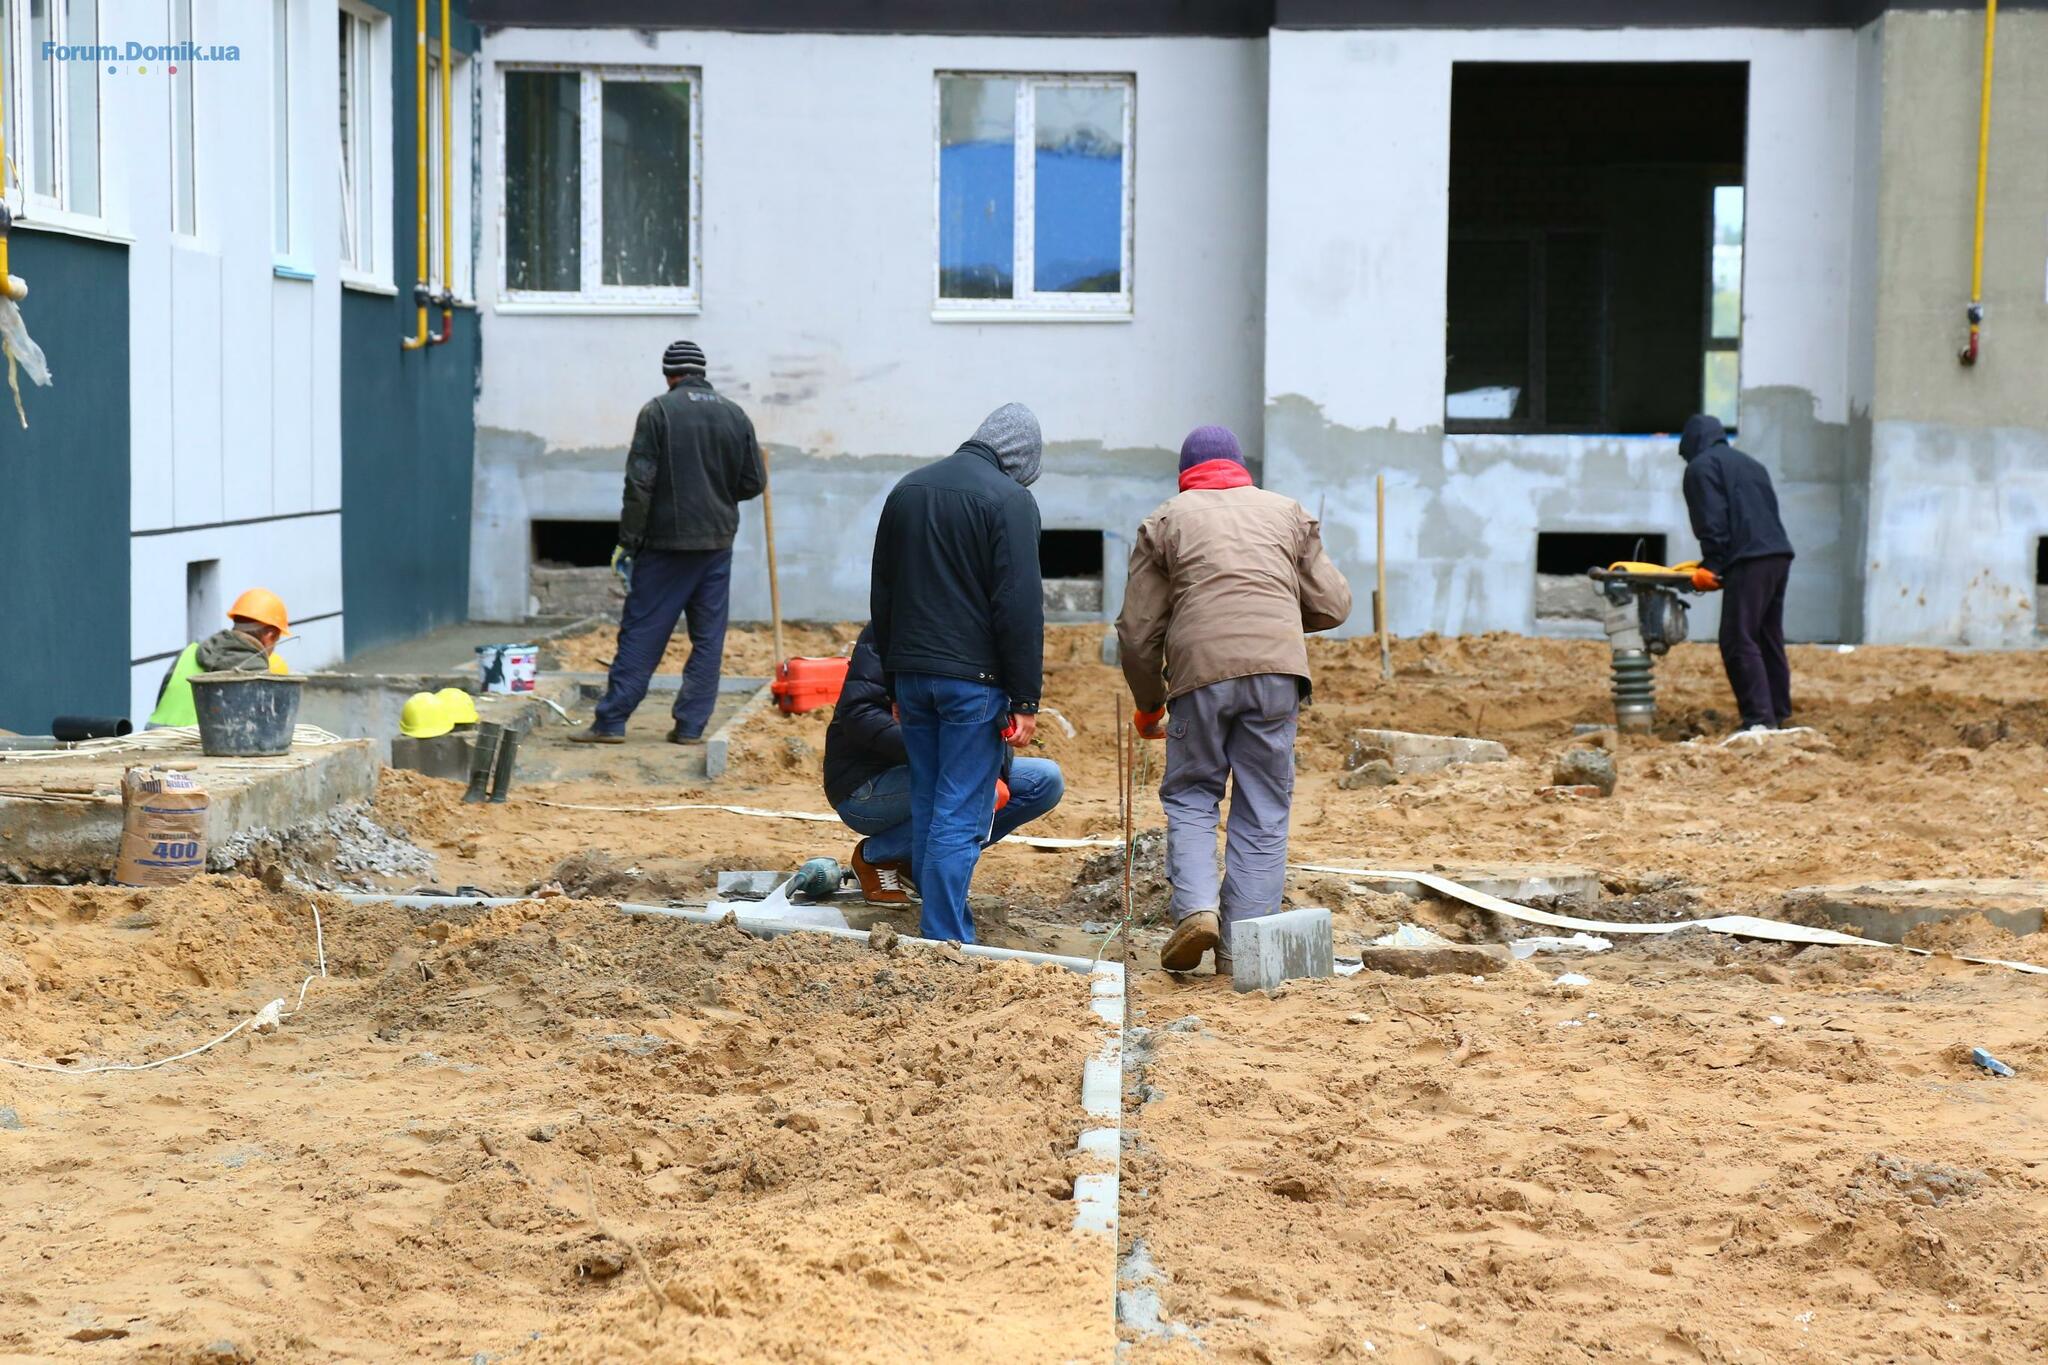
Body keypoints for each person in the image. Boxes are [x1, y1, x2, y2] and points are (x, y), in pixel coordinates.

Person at [1116, 425, 1352, 977]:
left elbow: (1137, 632)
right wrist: (1277, 612)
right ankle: (1242, 949)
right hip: (1278, 674)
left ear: (1185, 475)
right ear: (1241, 468)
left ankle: (1197, 909)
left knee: (1192, 792)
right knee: (1264, 804)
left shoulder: (1165, 520)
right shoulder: (1288, 513)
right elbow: (1334, 604)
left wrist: (1149, 705)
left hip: (1198, 674)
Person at [869, 402, 1045, 943]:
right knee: (960, 809)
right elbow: (1018, 606)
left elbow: (883, 594)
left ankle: (935, 923)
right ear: (1020, 459)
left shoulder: (908, 489)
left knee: (929, 799)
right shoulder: (1010, 500)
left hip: (913, 677)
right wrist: (1025, 698)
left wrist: (893, 681)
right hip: (974, 684)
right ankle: (945, 936)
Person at [573, 340, 765, 745]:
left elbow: (639, 484)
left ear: (669, 375)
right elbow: (753, 482)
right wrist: (717, 496)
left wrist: (628, 541)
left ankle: (611, 722)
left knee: (643, 631)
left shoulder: (657, 411)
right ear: (702, 372)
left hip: (666, 545)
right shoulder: (735, 414)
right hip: (717, 543)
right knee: (708, 638)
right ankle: (691, 727)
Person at [825, 622, 1066, 903]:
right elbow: (860, 713)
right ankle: (875, 856)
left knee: (1044, 781)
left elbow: (989, 716)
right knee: (974, 792)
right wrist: (950, 760)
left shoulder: (976, 633)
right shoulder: (895, 626)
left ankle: (910, 859)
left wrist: (995, 773)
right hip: (867, 785)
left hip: (941, 768)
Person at [1678, 413, 1795, 731]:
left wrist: (1713, 565)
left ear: (1691, 443)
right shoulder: (1752, 465)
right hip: (1778, 555)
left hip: (1749, 559)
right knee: (1767, 636)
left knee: (1737, 639)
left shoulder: (1701, 467)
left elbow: (1711, 518)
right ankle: (1778, 713)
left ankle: (1759, 719)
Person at [147, 588, 293, 728]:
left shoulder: (189, 653)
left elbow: (162, 699)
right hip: (204, 742)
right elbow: (263, 729)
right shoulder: (256, 668)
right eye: (277, 640)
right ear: (270, 635)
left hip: (153, 738)